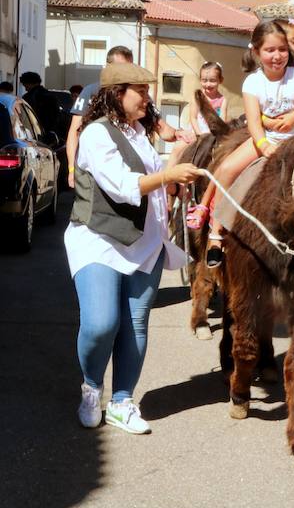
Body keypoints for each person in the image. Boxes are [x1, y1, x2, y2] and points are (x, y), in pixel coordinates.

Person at [65, 62, 202, 434]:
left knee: (135, 324)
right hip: (100, 239)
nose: (147, 96)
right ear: (116, 93)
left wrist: (174, 185)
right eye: (139, 90)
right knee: (101, 323)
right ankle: (92, 387)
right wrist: (167, 175)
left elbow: (151, 180)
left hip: (146, 242)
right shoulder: (96, 134)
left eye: (148, 90)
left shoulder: (139, 132)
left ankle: (122, 400)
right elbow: (123, 186)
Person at [186, 20, 294, 267]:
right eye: (270, 50)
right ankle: (216, 234)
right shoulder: (253, 83)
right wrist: (264, 145)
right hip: (265, 139)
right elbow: (254, 121)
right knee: (227, 169)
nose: (277, 56)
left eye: (282, 49)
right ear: (256, 52)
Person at [66, 46, 195, 188]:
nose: (128, 73)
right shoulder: (91, 99)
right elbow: (75, 132)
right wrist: (72, 169)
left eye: (130, 67)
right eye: (122, 67)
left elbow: (162, 129)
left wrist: (179, 134)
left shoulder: (140, 99)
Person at [164, 61, 228, 170]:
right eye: (204, 80)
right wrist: (199, 135)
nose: (208, 84)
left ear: (220, 80)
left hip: (214, 134)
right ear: (200, 80)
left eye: (212, 81)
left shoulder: (223, 100)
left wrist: (218, 136)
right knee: (177, 148)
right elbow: (193, 118)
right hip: (196, 132)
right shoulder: (197, 97)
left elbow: (222, 120)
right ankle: (167, 175)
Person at [20, 71, 61, 136]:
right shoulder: (51, 96)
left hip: (34, 132)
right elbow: (57, 116)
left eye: (26, 86)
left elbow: (25, 117)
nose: (25, 89)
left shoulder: (28, 97)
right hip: (50, 132)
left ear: (30, 83)